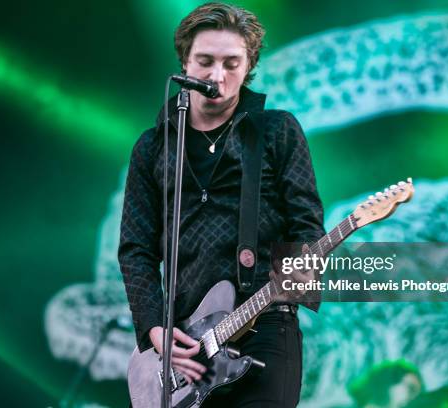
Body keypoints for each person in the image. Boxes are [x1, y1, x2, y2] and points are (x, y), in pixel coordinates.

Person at [118, 2, 325, 406]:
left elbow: (306, 221)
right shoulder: (153, 147)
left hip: (263, 325)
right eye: (205, 62)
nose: (217, 76)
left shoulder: (276, 131)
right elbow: (136, 249)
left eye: (232, 63)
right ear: (184, 63)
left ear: (249, 66)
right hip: (185, 346)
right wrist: (156, 330)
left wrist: (305, 263)